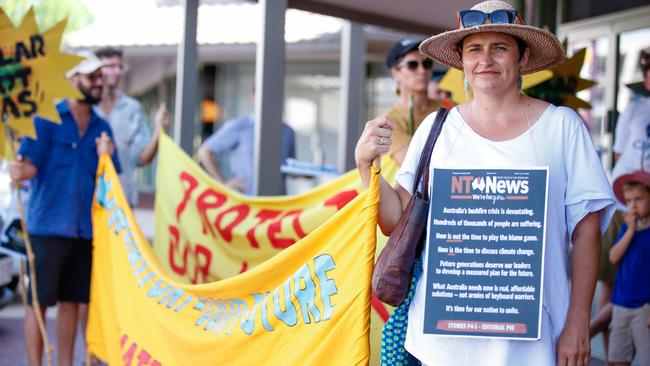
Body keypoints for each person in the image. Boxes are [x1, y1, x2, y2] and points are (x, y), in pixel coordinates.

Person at [355, 1, 616, 365]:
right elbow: (394, 220)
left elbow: (587, 231)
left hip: (532, 346)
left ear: (523, 58)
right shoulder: (436, 128)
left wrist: (578, 321)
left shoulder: (563, 127)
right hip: (439, 346)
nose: (486, 59)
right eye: (474, 49)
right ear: (462, 60)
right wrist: (367, 165)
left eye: (500, 47)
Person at [8, 52, 121, 366]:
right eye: (91, 77)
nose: (99, 82)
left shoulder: (103, 127)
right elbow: (28, 168)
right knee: (37, 302)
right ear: (72, 82)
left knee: (74, 301)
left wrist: (106, 157)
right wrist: (17, 170)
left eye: (100, 76)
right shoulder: (46, 119)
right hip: (47, 228)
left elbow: (110, 181)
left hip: (85, 231)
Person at [591, 50, 650, 361]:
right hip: (624, 201)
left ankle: (590, 334)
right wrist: (628, 198)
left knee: (638, 280)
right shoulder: (635, 110)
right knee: (610, 281)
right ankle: (609, 352)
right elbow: (618, 156)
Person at [94, 47, 171, 207]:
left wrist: (158, 129)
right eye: (110, 66)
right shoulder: (85, 109)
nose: (117, 71)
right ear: (95, 69)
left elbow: (143, 158)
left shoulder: (132, 108)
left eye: (120, 67)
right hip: (87, 200)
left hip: (122, 202)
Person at [198, 93, 295, 195]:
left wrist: (306, 173)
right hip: (246, 202)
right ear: (253, 97)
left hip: (278, 202)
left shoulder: (287, 132)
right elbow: (204, 151)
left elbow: (289, 168)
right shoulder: (240, 126)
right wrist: (223, 185)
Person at [607, 172, 650, 366]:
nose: (632, 205)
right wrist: (631, 230)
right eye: (628, 200)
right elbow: (613, 256)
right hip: (621, 304)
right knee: (617, 359)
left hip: (645, 307)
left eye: (639, 199)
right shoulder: (627, 229)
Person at [384, 39, 440, 165]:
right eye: (412, 65)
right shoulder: (390, 121)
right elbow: (411, 166)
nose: (422, 71)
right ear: (395, 73)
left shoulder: (449, 107)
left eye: (426, 64)